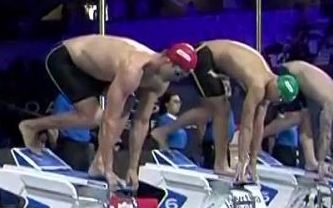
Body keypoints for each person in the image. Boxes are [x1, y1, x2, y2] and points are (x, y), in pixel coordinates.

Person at [16, 34, 198, 188]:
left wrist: (133, 169)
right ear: (166, 60)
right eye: (177, 74)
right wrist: (109, 171)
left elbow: (142, 122)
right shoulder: (133, 67)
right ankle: (31, 126)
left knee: (126, 106)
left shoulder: (160, 82)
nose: (177, 80)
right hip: (67, 58)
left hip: (99, 72)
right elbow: (110, 120)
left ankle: (98, 164)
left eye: (182, 77)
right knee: (92, 117)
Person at [149, 39, 297, 182]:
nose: (276, 101)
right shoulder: (258, 86)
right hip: (204, 56)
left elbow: (258, 127)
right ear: (276, 84)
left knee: (209, 111)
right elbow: (247, 126)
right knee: (222, 110)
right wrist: (242, 161)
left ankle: (162, 132)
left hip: (215, 62)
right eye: (278, 97)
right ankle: (220, 164)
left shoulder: (269, 90)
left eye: (280, 100)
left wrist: (253, 164)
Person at [260, 61, 333, 176]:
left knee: (306, 118)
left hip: (300, 78)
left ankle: (310, 161)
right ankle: (257, 137)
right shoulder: (331, 102)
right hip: (289, 73)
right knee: (295, 117)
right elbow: (326, 135)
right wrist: (322, 163)